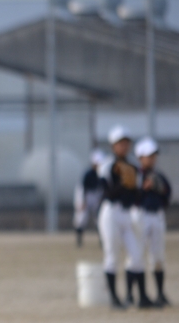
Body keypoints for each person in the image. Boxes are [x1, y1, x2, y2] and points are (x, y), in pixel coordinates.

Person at [97, 125, 155, 309]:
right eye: (120, 143)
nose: (124, 146)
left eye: (126, 143)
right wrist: (122, 184)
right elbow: (106, 194)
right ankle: (114, 299)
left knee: (136, 256)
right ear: (113, 145)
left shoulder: (133, 167)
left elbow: (136, 196)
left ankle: (139, 297)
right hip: (110, 213)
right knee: (112, 255)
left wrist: (141, 188)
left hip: (127, 214)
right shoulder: (107, 165)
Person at [133, 137, 172, 307]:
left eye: (153, 156)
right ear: (140, 157)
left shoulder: (159, 175)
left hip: (157, 216)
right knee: (138, 255)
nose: (152, 159)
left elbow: (167, 195)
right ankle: (140, 295)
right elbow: (131, 197)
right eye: (148, 156)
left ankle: (160, 294)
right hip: (141, 215)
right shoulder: (136, 176)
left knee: (158, 256)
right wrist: (144, 188)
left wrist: (160, 189)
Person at [73, 149, 105, 247]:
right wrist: (83, 201)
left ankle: (102, 241)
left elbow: (102, 189)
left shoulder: (102, 174)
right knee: (82, 217)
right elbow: (83, 188)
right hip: (86, 194)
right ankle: (79, 240)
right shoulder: (88, 174)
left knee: (99, 218)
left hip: (96, 195)